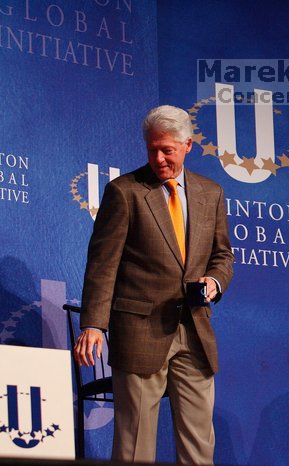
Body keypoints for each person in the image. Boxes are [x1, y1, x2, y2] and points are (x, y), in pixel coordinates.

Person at [73, 105, 234, 464]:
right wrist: (94, 325)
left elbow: (222, 256)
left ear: (188, 145)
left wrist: (213, 282)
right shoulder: (125, 191)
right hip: (140, 329)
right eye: (152, 150)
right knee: (134, 448)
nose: (159, 158)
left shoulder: (211, 193)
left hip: (194, 331)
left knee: (198, 447)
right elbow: (103, 264)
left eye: (167, 150)